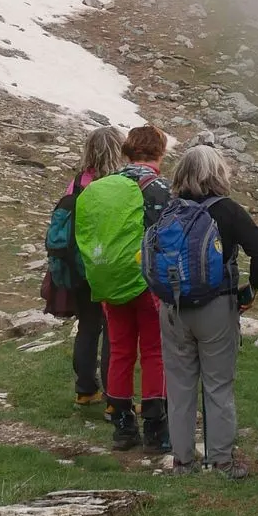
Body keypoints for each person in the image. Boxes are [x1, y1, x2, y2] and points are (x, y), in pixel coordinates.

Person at [157, 142, 258, 477]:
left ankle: (182, 461)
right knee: (218, 384)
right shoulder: (228, 210)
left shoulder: (169, 209)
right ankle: (221, 461)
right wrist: (251, 288)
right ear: (218, 173)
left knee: (180, 386)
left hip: (173, 306)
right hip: (217, 306)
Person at [75, 134, 168, 454]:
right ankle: (155, 427)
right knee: (154, 351)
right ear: (160, 152)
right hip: (147, 283)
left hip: (109, 279)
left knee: (120, 350)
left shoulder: (101, 187)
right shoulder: (159, 188)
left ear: (127, 152)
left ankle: (123, 426)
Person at [58, 126, 122, 407]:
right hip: (109, 266)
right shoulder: (119, 184)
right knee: (113, 331)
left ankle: (85, 389)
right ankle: (113, 396)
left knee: (87, 325)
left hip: (80, 265)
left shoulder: (77, 182)